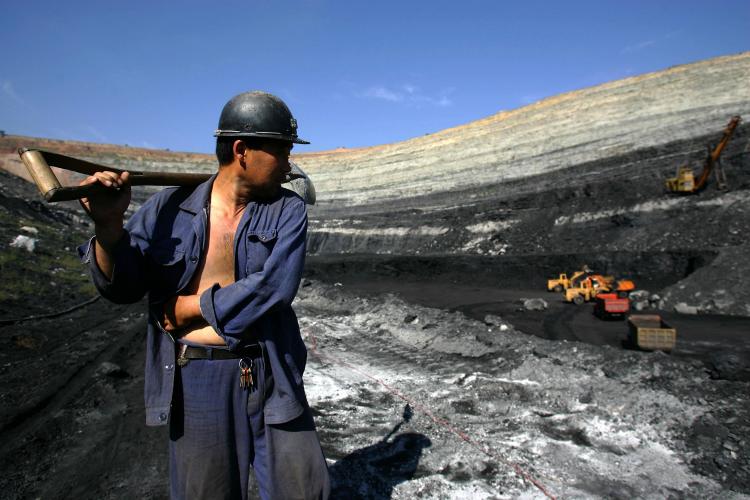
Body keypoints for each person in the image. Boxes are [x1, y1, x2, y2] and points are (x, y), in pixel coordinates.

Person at [78, 91, 330, 499]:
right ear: (241, 149)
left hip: (271, 370)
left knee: (305, 489)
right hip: (198, 379)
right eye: (281, 150)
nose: (288, 164)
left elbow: (274, 287)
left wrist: (188, 308)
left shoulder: (286, 210)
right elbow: (121, 288)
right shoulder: (167, 209)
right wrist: (108, 229)